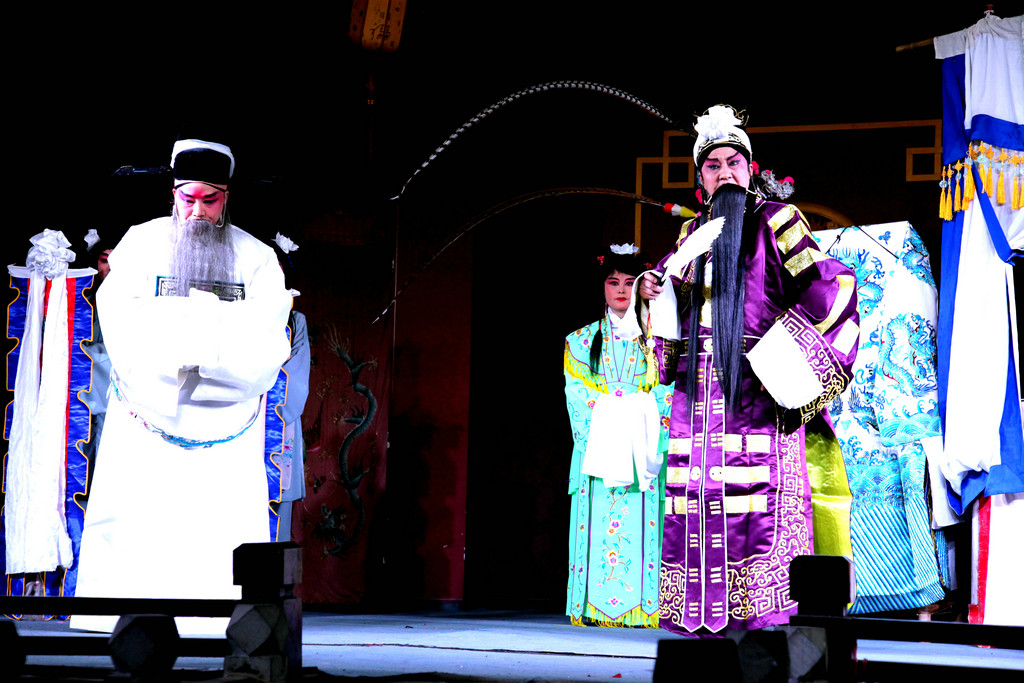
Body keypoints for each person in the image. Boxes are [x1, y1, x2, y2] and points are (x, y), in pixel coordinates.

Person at [637, 105, 859, 635]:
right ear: (701, 180)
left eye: (734, 162)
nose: (725, 172)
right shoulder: (690, 234)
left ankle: (767, 618)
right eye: (712, 166)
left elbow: (831, 286)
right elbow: (670, 309)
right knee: (698, 501)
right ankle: (700, 619)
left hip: (760, 393)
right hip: (698, 399)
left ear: (750, 168)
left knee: (758, 504)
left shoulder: (779, 221)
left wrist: (783, 359)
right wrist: (654, 291)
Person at [70, 134, 293, 634]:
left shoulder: (256, 257)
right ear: (173, 193)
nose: (197, 212)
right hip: (150, 406)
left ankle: (217, 622)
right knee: (138, 516)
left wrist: (198, 338)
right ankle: (122, 618)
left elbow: (268, 333)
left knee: (218, 522)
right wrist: (202, 330)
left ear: (226, 197)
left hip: (225, 412)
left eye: (210, 200)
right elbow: (120, 315)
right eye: (188, 198)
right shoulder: (141, 243)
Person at [564, 245, 671, 627]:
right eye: (613, 282)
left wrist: (637, 408)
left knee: (645, 523)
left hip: (644, 447)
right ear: (603, 288)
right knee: (596, 523)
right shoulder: (580, 341)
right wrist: (624, 409)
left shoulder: (660, 340)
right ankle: (592, 607)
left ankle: (648, 609)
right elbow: (576, 394)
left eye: (629, 282)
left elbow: (670, 391)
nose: (622, 290)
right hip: (600, 451)